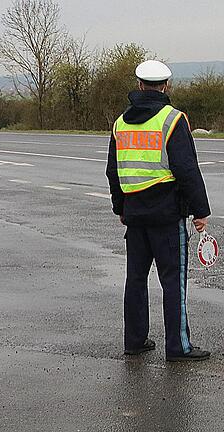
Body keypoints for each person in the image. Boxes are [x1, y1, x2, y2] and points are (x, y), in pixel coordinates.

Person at [106, 60, 211, 362]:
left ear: (139, 85)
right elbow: (187, 170)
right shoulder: (173, 120)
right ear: (166, 86)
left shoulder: (120, 123)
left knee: (136, 280)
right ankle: (178, 347)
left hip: (135, 216)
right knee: (173, 281)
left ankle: (135, 341)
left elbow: (113, 171)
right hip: (167, 216)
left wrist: (120, 208)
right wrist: (200, 211)